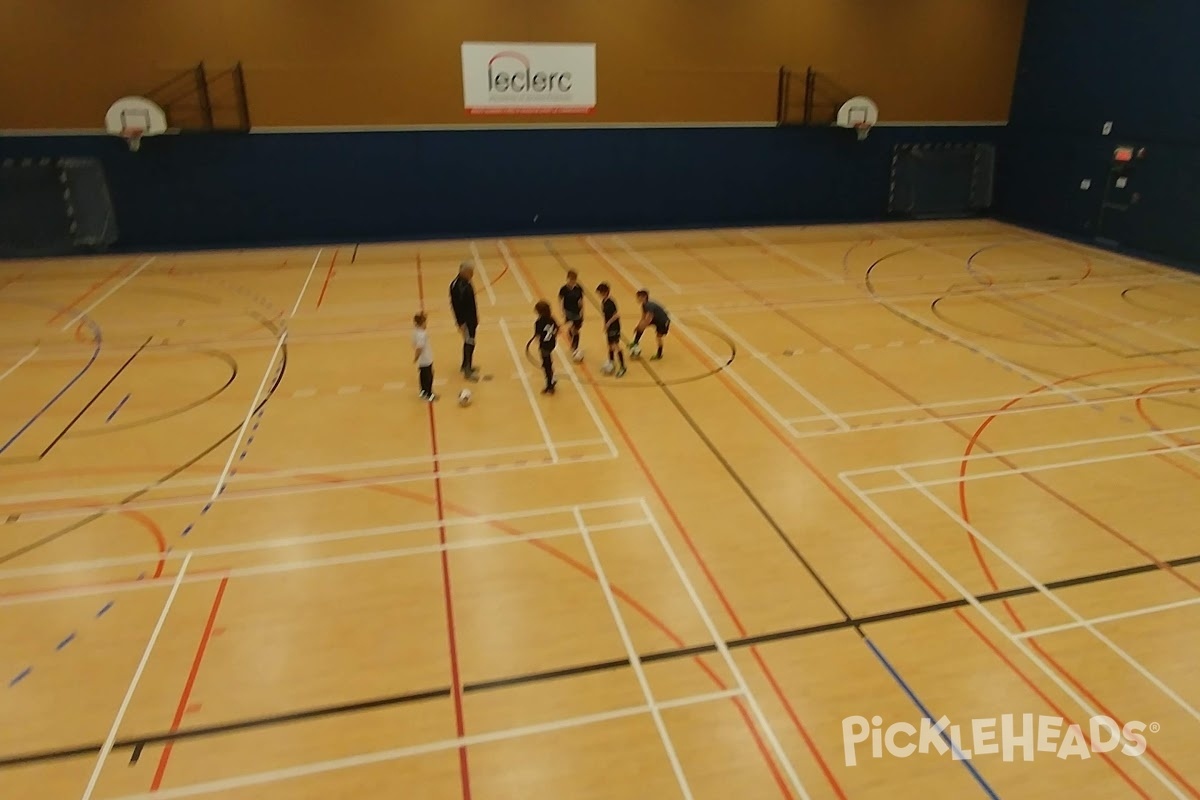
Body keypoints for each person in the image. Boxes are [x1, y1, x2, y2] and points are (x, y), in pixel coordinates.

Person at [449, 261, 480, 381]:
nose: (472, 275)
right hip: (466, 320)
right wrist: (460, 322)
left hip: (471, 319)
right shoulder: (459, 286)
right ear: (464, 272)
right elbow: (456, 306)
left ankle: (466, 365)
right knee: (469, 342)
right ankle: (467, 370)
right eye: (471, 272)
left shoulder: (464, 283)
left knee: (469, 341)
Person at [596, 282, 626, 377]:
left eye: (600, 292)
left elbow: (616, 315)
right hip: (609, 327)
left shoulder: (610, 303)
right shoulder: (604, 302)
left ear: (604, 292)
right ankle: (611, 362)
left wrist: (608, 324)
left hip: (614, 327)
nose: (599, 295)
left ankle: (622, 367)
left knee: (615, 345)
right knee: (609, 345)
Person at [631, 289, 669, 360]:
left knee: (658, 337)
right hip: (655, 319)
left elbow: (649, 319)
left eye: (639, 297)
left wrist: (643, 325)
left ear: (644, 297)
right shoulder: (644, 305)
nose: (637, 299)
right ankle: (635, 343)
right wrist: (638, 326)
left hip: (662, 321)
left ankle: (659, 354)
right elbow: (643, 317)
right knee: (641, 326)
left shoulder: (649, 306)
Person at [534, 300, 560, 395]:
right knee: (548, 362)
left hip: (544, 345)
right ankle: (552, 379)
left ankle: (550, 385)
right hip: (552, 343)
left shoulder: (539, 322)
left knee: (546, 365)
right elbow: (557, 329)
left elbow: (537, 336)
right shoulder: (551, 319)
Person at [558, 269, 585, 361]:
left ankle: (575, 347)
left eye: (574, 280)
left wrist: (582, 311)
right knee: (573, 330)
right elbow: (560, 300)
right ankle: (575, 347)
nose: (572, 281)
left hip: (577, 312)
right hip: (568, 311)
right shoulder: (564, 289)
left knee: (576, 330)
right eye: (570, 279)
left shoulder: (578, 289)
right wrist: (562, 311)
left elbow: (581, 301)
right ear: (567, 279)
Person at [412, 311, 436, 402]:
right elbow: (419, 348)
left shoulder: (415, 332)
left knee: (422, 376)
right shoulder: (422, 334)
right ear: (421, 323)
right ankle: (429, 394)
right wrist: (416, 357)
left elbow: (414, 344)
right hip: (426, 359)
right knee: (429, 377)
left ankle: (423, 392)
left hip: (422, 361)